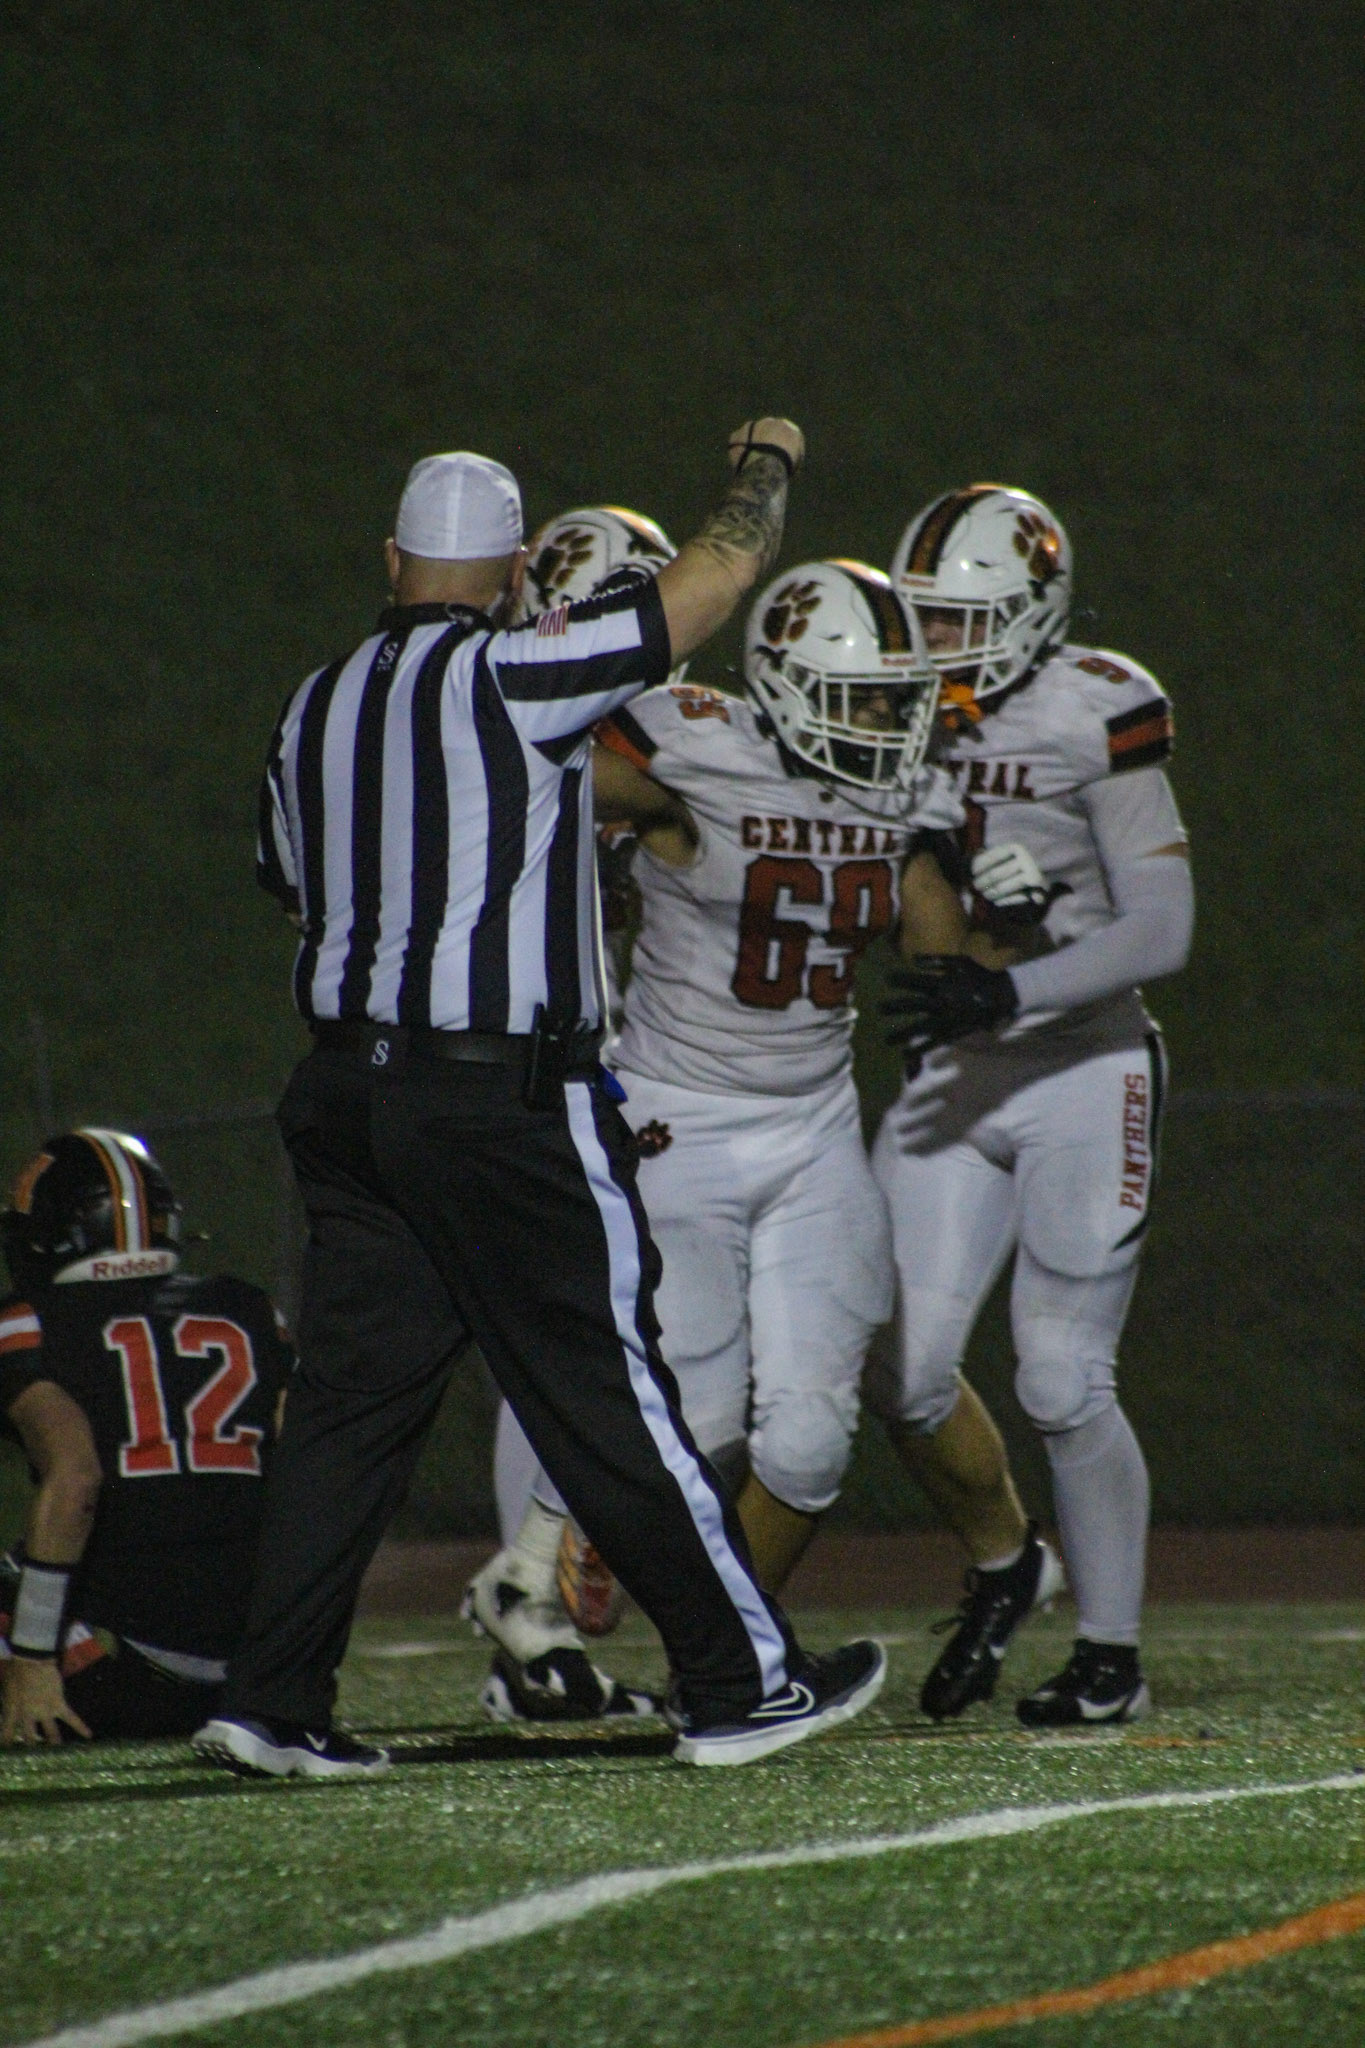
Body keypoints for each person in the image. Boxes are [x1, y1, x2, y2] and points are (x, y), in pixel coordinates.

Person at [194, 423, 887, 1779]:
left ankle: (270, 1699)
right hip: (494, 1096)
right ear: (516, 573)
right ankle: (740, 1682)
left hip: (344, 1093)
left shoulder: (314, 702)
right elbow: (715, 575)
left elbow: (285, 875)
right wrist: (766, 464)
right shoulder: (516, 670)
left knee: (347, 1410)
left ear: (391, 559)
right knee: (607, 1384)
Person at [475, 522, 1059, 1720]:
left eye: (896, 699)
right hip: (674, 1117)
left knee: (808, 1440)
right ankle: (540, 1565)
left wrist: (1010, 917)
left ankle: (725, 1666)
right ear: (786, 686)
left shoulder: (903, 793)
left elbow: (944, 968)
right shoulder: (695, 743)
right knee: (693, 1406)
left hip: (812, 1130)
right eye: (861, 697)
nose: (886, 723)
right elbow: (513, 782)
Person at [873, 484, 1194, 1726]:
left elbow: (1162, 927)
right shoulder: (890, 707)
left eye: (966, 618)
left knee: (1061, 1374)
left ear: (1034, 611)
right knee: (899, 1371)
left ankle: (1111, 1655)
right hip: (960, 1068)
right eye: (925, 617)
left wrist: (1018, 977)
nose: (940, 643)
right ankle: (1011, 1561)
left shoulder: (1094, 703)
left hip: (1084, 1067)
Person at [0, 1130, 292, 1744]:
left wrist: (31, 1657)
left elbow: (76, 1479)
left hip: (127, 1667)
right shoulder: (249, 1308)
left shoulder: (30, 1321)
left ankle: (42, 1692)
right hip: (257, 1672)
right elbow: (311, 1478)